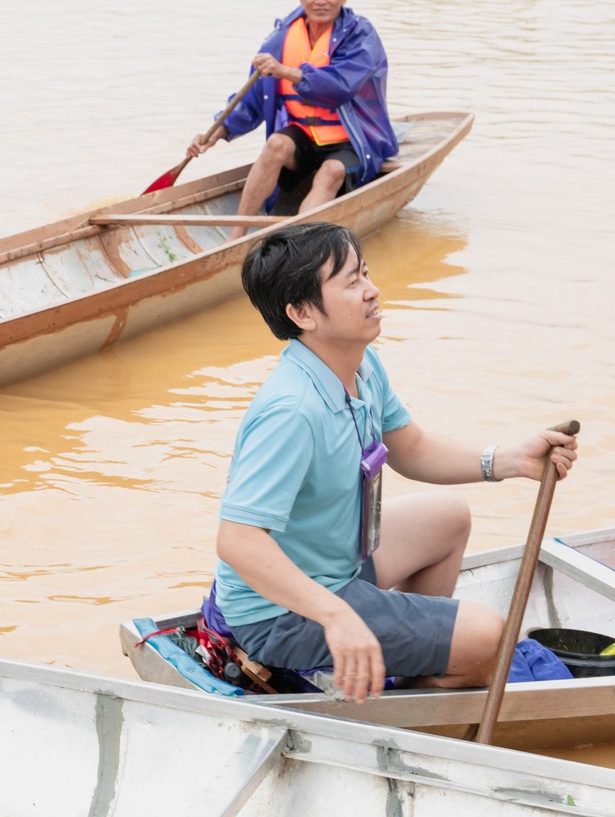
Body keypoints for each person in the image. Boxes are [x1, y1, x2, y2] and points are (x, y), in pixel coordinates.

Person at [207, 223, 577, 700]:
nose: (372, 291)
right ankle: (415, 676)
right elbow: (237, 540)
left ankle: (416, 650)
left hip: (337, 565)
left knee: (449, 517)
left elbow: (412, 447)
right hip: (280, 613)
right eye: (351, 282)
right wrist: (337, 616)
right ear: (302, 313)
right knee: (492, 637)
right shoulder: (292, 411)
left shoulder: (361, 364)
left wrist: (508, 460)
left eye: (365, 272)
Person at [181, 0, 398, 217]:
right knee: (275, 144)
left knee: (332, 172)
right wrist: (219, 130)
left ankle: (295, 237)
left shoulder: (360, 35)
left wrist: (285, 71)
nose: (320, 0)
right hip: (303, 138)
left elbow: (339, 86)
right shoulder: (280, 38)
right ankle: (237, 235)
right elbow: (253, 98)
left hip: (352, 140)